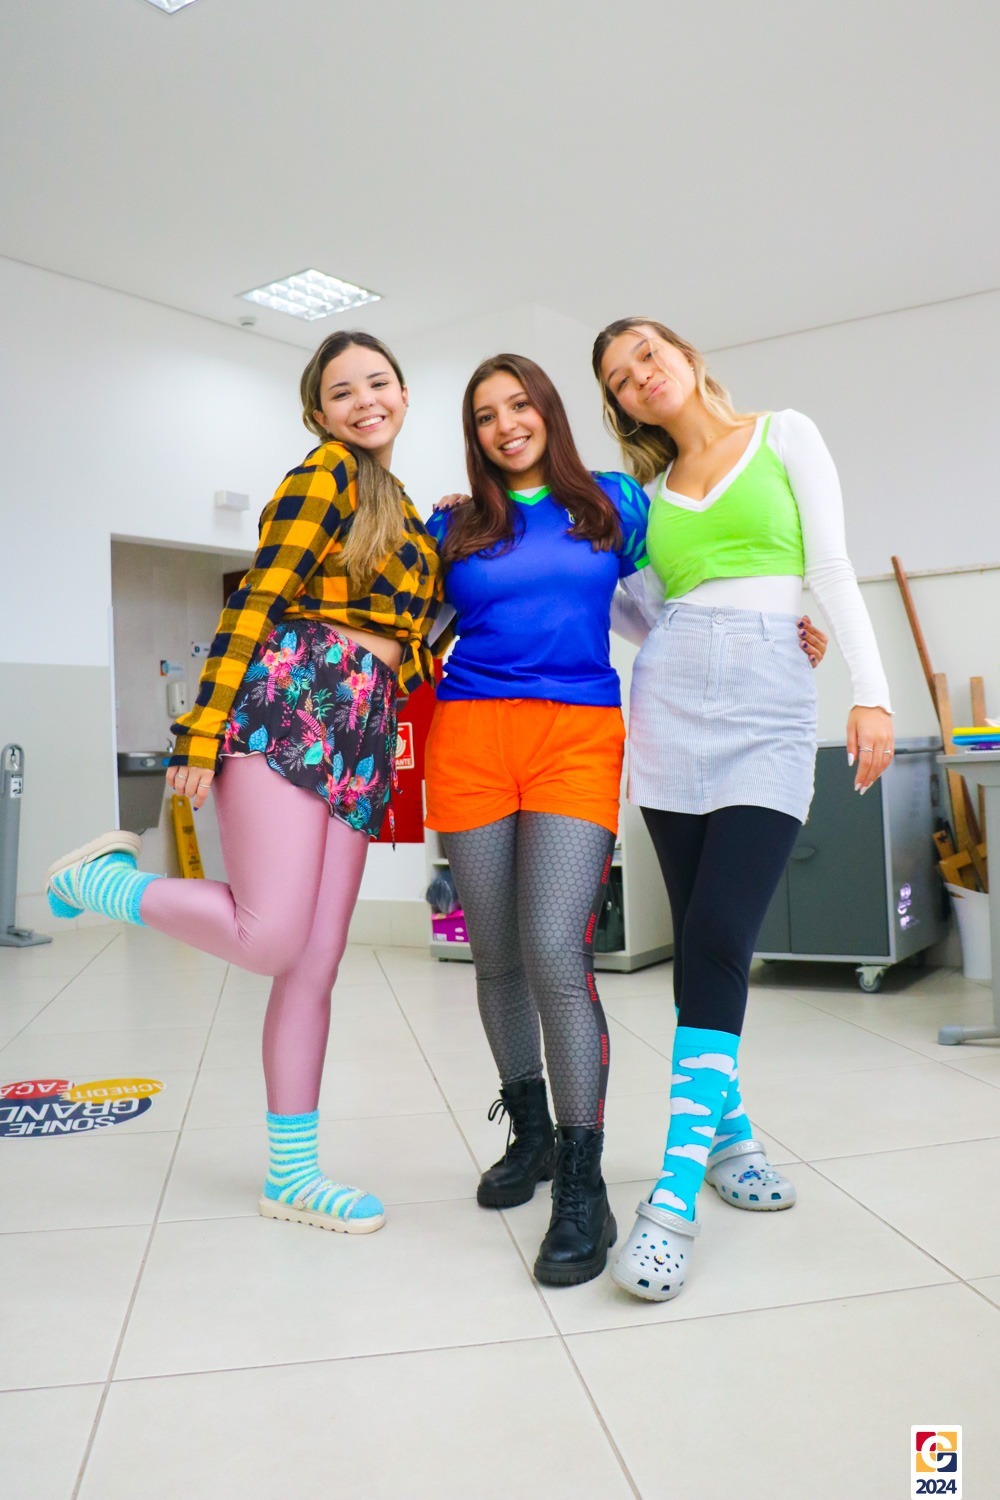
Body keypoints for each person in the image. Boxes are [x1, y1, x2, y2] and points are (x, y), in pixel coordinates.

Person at [423, 352, 827, 1287]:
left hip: (576, 736)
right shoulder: (454, 523)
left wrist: (777, 629)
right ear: (473, 434)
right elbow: (421, 627)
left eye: (519, 405)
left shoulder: (614, 502)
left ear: (549, 411)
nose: (506, 425)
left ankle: (582, 1181)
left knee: (556, 952)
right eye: (485, 415)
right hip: (470, 737)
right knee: (496, 955)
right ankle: (529, 1133)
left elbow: (668, 605)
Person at [46, 331, 441, 1237]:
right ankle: (106, 883)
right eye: (342, 391)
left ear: (403, 394)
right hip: (291, 699)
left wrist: (421, 600)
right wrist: (198, 728)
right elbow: (256, 599)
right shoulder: (325, 475)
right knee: (271, 938)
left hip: (363, 725)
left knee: (315, 961)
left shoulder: (406, 511)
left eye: (378, 383)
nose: (365, 401)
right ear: (317, 414)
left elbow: (413, 639)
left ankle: (291, 1176)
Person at [592, 317, 893, 1301]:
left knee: (723, 932)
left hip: (768, 710)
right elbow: (638, 611)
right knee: (702, 943)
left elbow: (830, 568)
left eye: (647, 353)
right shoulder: (645, 499)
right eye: (619, 378)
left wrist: (871, 691)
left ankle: (672, 1199)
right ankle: (729, 1141)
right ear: (620, 405)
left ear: (684, 354)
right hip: (670, 706)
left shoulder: (784, 434)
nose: (640, 376)